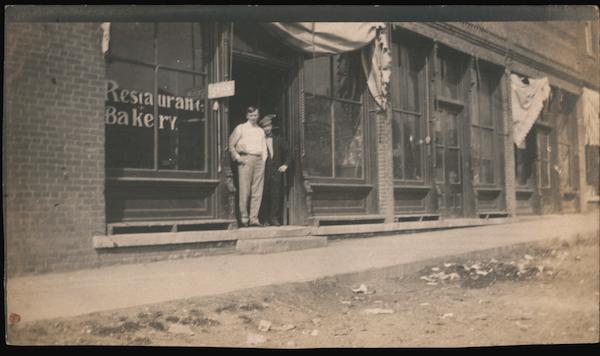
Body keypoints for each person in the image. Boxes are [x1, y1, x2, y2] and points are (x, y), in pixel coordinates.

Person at [229, 106, 268, 227]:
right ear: (247, 116)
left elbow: (263, 147)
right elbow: (231, 145)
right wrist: (237, 157)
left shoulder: (260, 131)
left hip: (259, 160)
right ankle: (244, 218)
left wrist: (264, 160)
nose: (254, 118)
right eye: (251, 116)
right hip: (245, 159)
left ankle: (254, 218)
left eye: (256, 115)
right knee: (245, 190)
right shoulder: (241, 128)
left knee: (257, 190)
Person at [258, 115, 291, 226]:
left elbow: (289, 153)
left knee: (275, 195)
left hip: (276, 171)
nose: (267, 128)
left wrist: (285, 165)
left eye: (268, 126)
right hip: (263, 171)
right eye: (264, 127)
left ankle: (274, 218)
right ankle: (265, 219)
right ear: (261, 128)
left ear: (271, 126)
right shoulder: (258, 140)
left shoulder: (278, 140)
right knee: (264, 195)